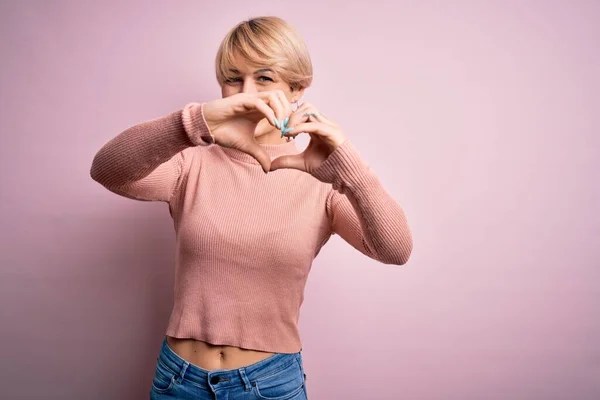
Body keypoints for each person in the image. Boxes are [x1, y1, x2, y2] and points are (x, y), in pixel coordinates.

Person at [90, 15, 412, 400]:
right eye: (232, 78)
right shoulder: (192, 162)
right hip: (179, 381)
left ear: (296, 88)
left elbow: (396, 251)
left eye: (263, 78)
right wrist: (194, 121)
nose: (246, 93)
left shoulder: (323, 178)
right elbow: (107, 171)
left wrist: (350, 169)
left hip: (269, 385)